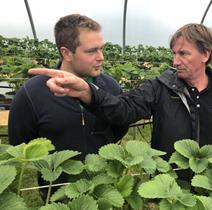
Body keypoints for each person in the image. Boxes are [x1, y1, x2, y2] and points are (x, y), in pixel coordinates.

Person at [28, 23, 212, 160]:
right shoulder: (160, 87)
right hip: (170, 190)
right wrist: (87, 91)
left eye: (183, 53)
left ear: (205, 54)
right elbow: (124, 109)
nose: (175, 61)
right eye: (173, 53)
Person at [8, 14, 128, 159]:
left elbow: (120, 126)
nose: (101, 57)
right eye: (91, 51)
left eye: (101, 48)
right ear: (66, 53)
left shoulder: (111, 87)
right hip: (57, 180)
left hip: (104, 177)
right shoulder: (31, 93)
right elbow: (20, 143)